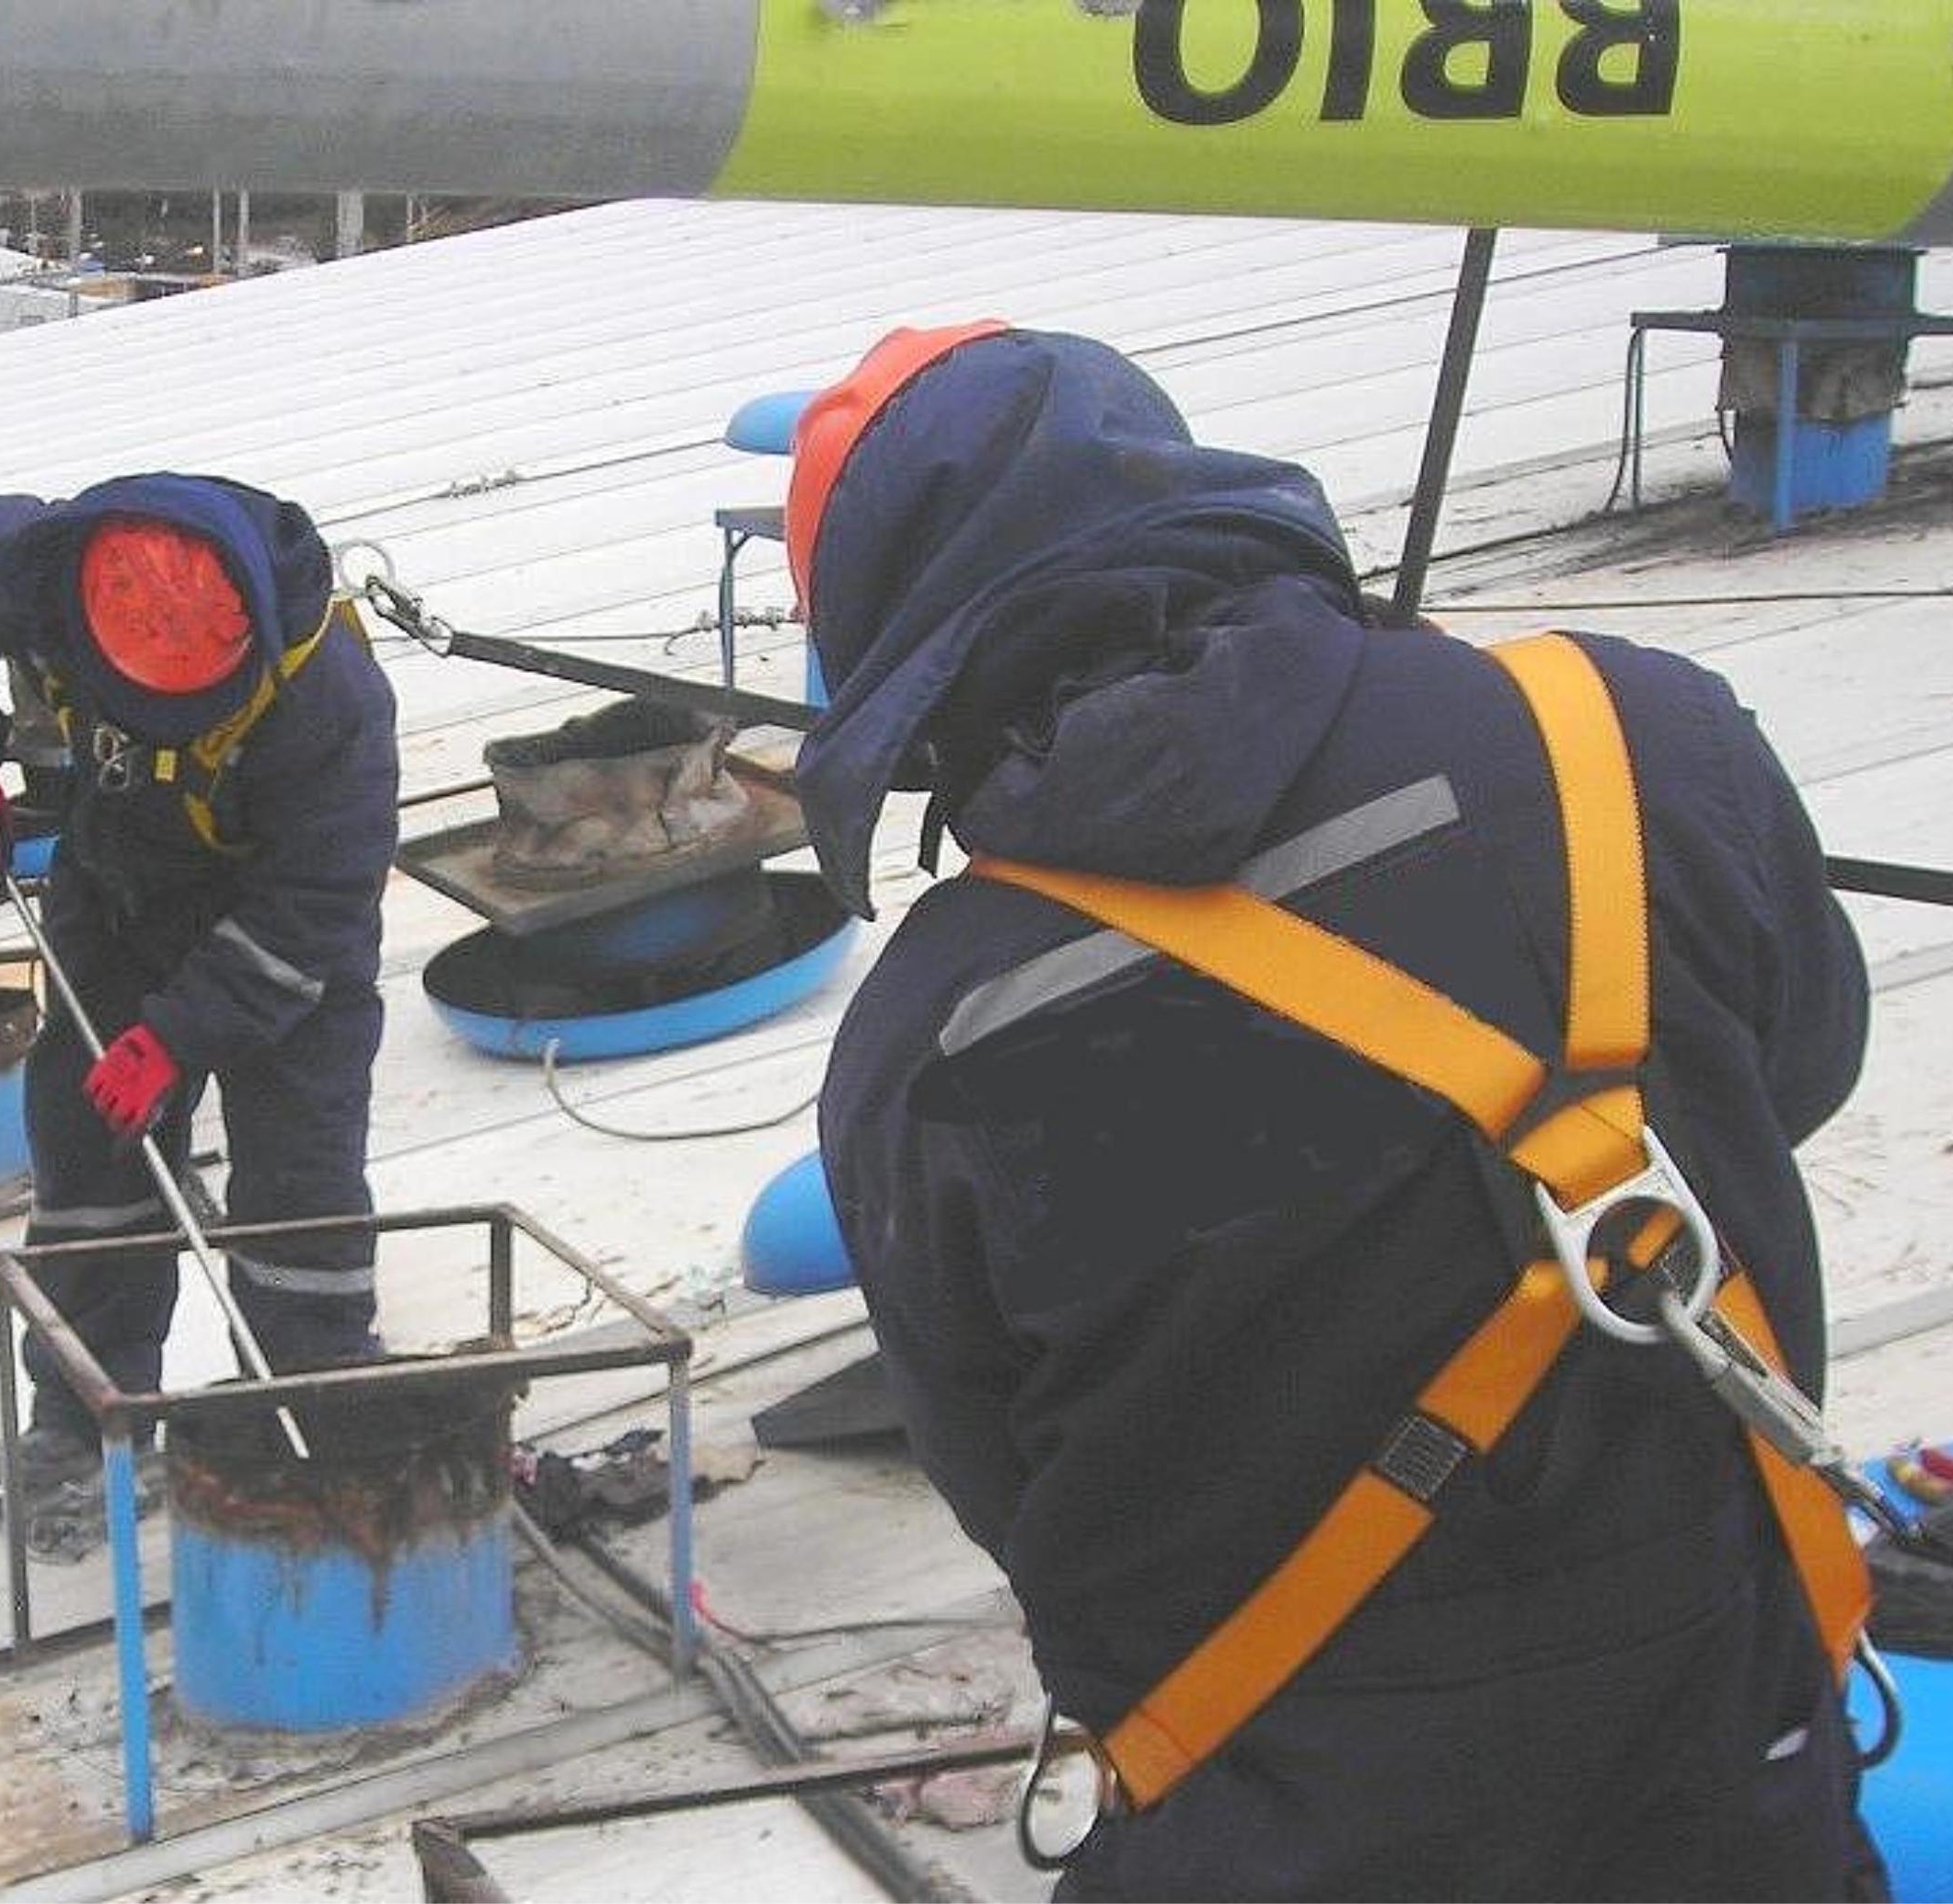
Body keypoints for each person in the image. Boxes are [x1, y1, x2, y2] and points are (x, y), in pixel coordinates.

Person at [788, 324, 1880, 1899]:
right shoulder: (1629, 735)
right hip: (1719, 1769)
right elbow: (1798, 1071)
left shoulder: (931, 1036)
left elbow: (1002, 1480)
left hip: (1274, 1824)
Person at [0, 473, 398, 1525]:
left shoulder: (329, 698)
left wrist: (177, 1036)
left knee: (299, 1180)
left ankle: (310, 1410)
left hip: (278, 937)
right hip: (120, 895)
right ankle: (85, 1419)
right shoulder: (35, 568)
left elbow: (318, 901)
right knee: (90, 1162)